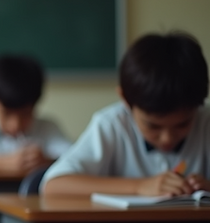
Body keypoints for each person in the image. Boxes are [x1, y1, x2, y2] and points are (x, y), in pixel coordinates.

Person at [41, 31, 209, 196]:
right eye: (153, 126)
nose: (167, 138)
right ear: (126, 100)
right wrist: (140, 186)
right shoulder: (112, 124)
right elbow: (53, 184)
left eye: (183, 124)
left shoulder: (206, 122)